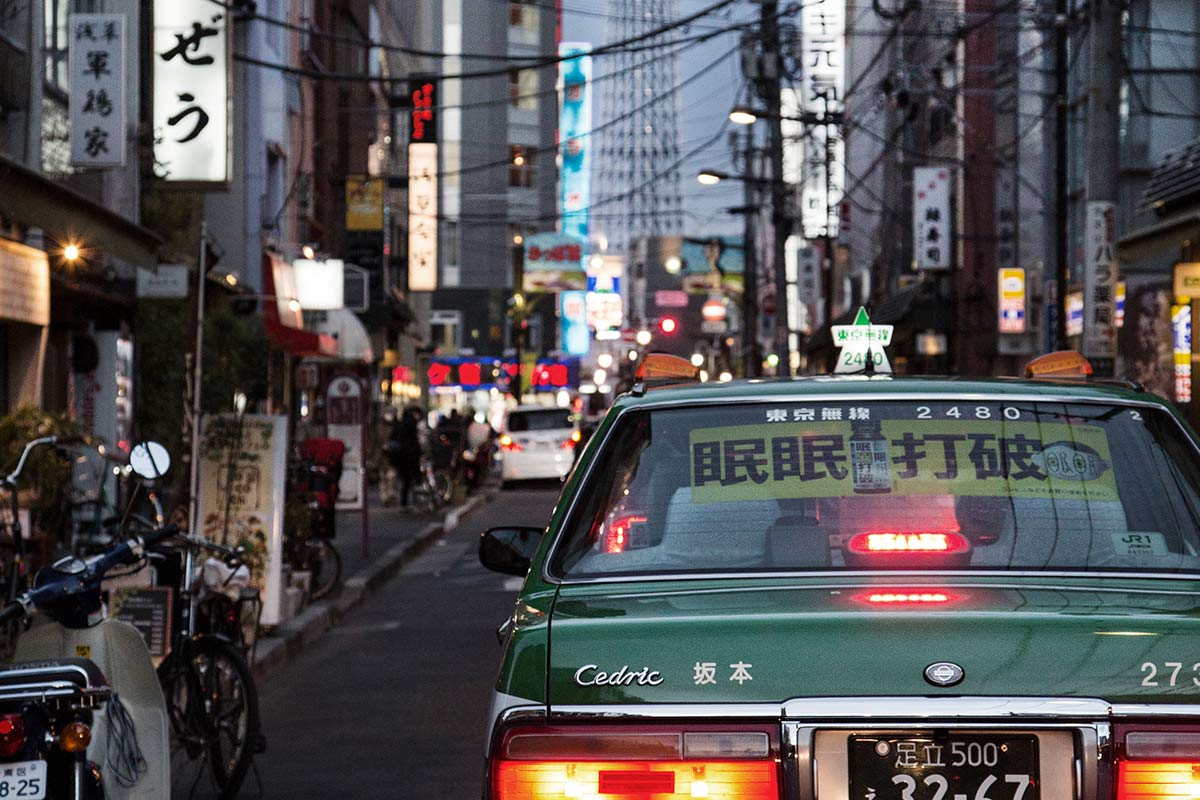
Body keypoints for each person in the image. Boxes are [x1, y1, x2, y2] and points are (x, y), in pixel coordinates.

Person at [387, 407, 423, 510]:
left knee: (404, 479)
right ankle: (413, 501)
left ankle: (403, 502)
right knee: (414, 478)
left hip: (399, 455)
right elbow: (414, 440)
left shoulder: (399, 424)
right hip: (410, 455)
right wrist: (419, 451)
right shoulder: (411, 424)